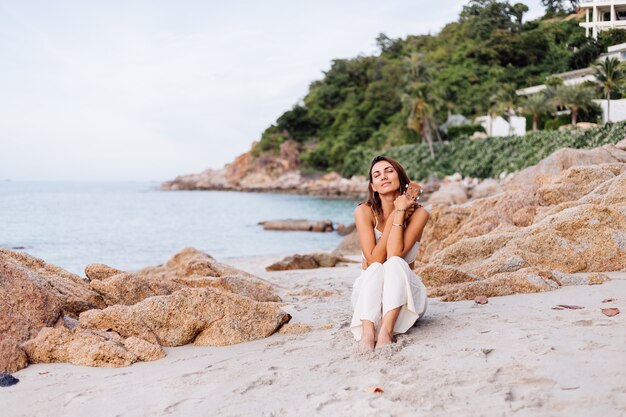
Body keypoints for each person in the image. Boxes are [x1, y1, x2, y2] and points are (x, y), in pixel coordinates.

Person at [350, 155, 429, 352]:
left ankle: (386, 332)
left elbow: (395, 254)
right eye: (377, 175)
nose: (383, 177)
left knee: (393, 263)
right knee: (376, 267)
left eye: (389, 171)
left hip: (406, 301)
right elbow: (375, 258)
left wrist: (400, 213)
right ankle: (368, 333)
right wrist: (397, 211)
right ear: (373, 186)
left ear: (401, 179)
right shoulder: (364, 212)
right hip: (368, 302)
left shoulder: (420, 214)